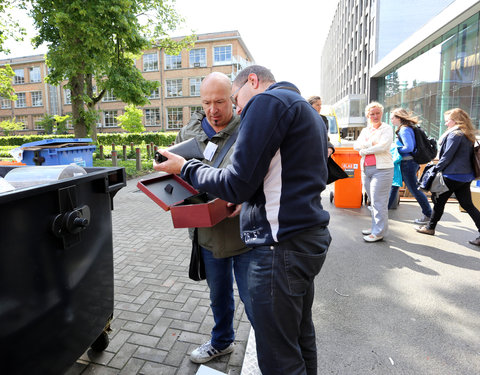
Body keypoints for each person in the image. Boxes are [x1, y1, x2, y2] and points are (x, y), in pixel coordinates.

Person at [154, 65, 331, 375]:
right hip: (305, 241)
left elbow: (237, 182)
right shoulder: (306, 111)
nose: (237, 109)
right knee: (300, 340)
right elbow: (279, 176)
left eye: (233, 100)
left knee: (278, 357)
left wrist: (185, 167)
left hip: (279, 250)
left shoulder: (267, 102)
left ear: (252, 81)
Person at [173, 72, 253, 364]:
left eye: (219, 101)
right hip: (207, 233)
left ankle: (269, 349)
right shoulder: (188, 132)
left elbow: (264, 175)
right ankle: (222, 341)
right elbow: (177, 176)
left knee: (253, 298)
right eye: (206, 102)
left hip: (245, 232)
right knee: (219, 294)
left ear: (232, 98)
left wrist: (248, 197)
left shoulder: (249, 128)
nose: (213, 109)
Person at [416, 108, 480, 246]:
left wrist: (434, 169)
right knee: (467, 204)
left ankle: (430, 228)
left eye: (447, 121)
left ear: (455, 120)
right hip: (465, 176)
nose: (446, 124)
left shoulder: (454, 135)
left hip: (452, 175)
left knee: (438, 201)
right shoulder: (468, 134)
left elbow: (446, 157)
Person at [353, 102, 394, 242]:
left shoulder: (386, 128)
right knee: (372, 202)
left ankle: (379, 232)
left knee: (379, 202)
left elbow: (382, 147)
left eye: (377, 113)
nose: (375, 116)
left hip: (382, 169)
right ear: (367, 115)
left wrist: (364, 149)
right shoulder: (365, 130)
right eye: (372, 114)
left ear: (382, 114)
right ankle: (375, 227)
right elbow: (355, 145)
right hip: (366, 169)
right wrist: (371, 144)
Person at [391, 108, 433, 223]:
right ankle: (387, 207)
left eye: (392, 118)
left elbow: (409, 147)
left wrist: (396, 150)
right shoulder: (408, 128)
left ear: (399, 118)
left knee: (414, 189)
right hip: (408, 162)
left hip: (407, 163)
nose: (391, 121)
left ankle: (428, 214)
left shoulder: (404, 130)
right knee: (394, 185)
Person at [388, 143, 402, 209]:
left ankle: (386, 207)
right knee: (393, 189)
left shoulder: (393, 146)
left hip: (389, 170)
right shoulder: (395, 146)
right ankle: (387, 207)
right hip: (394, 171)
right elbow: (397, 158)